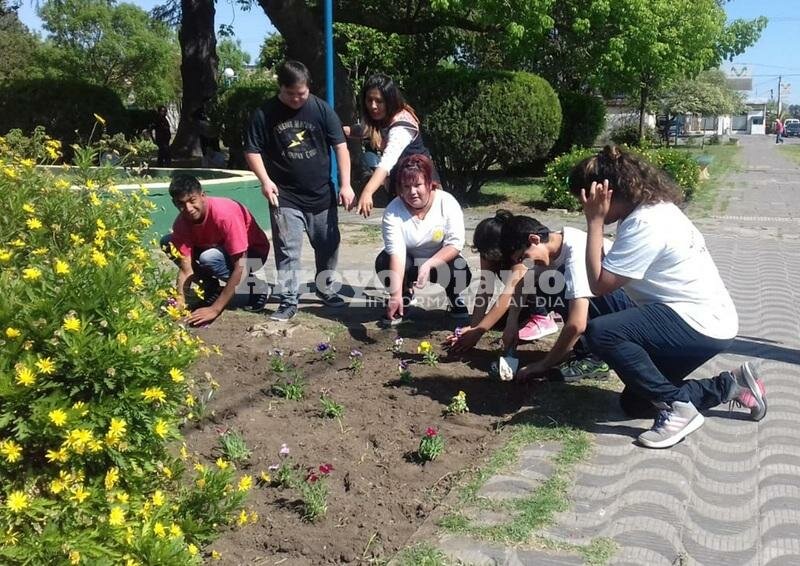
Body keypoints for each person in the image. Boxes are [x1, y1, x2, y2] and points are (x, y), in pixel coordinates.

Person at [571, 145, 766, 449]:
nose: (583, 206)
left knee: (602, 332)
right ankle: (730, 385)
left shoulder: (645, 223)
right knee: (635, 404)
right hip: (696, 317)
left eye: (586, 199)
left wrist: (594, 223)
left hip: (697, 324)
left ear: (604, 193)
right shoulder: (650, 209)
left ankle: (676, 408)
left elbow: (599, 284)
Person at [244, 60, 355, 322]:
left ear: (308, 89)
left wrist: (346, 184)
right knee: (287, 249)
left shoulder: (321, 109)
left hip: (321, 194)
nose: (296, 99)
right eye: (290, 93)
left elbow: (340, 146)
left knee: (328, 245)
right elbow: (252, 150)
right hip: (285, 195)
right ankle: (288, 300)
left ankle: (325, 288)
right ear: (280, 87)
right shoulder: (265, 113)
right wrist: (265, 180)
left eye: (301, 94)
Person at [160, 175, 271, 327]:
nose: (188, 209)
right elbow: (186, 268)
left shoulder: (225, 214)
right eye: (181, 204)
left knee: (209, 258)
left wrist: (215, 309)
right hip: (218, 250)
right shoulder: (181, 223)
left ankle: (255, 286)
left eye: (192, 201)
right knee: (168, 242)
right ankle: (210, 287)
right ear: (174, 203)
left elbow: (242, 264)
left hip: (252, 255)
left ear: (202, 196)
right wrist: (180, 299)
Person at [375, 154, 470, 326]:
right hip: (409, 262)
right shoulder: (393, 210)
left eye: (417, 185)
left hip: (441, 261)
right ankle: (403, 296)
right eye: (406, 186)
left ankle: (454, 297)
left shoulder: (447, 202)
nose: (412, 192)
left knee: (460, 270)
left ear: (429, 182)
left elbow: (455, 244)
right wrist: (394, 295)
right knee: (384, 261)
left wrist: (429, 264)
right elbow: (397, 253)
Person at [347, 74, 435, 217]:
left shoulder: (401, 125)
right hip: (400, 187)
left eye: (379, 101)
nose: (373, 106)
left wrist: (368, 191)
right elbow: (363, 130)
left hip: (421, 187)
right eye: (369, 100)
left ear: (390, 101)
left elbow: (387, 162)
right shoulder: (381, 119)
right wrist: (339, 130)